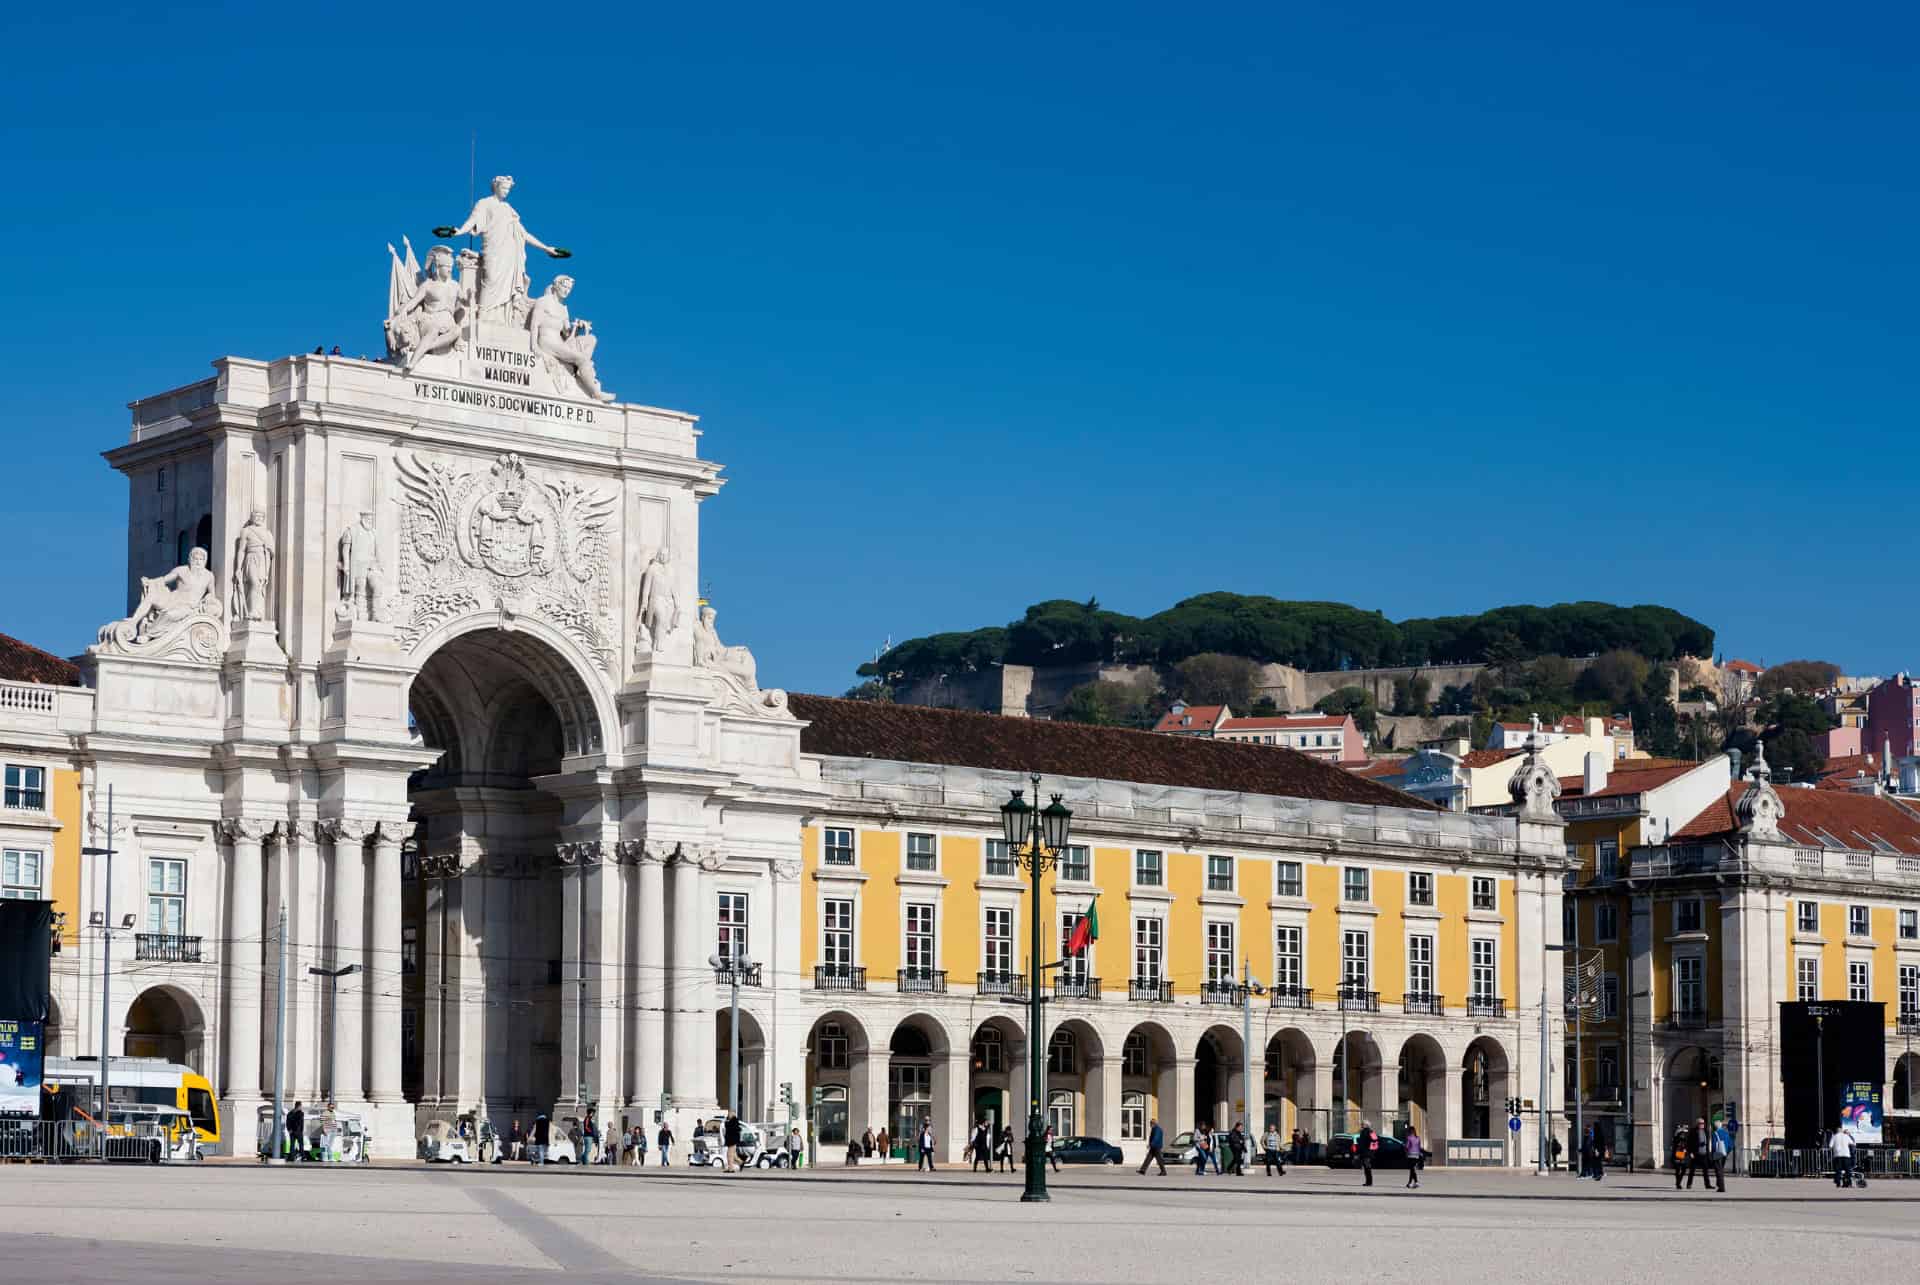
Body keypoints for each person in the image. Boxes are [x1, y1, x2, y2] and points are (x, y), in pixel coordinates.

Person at [1830, 1123, 1855, 1188]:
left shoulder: (1834, 1137)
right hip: (1846, 1155)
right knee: (1847, 1170)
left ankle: (1838, 1183)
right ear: (1841, 1131)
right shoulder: (1846, 1136)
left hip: (1837, 1155)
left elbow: (1830, 1146)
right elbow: (1852, 1143)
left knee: (1838, 1170)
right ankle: (1848, 1182)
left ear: (1836, 1131)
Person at [1356, 1121, 1378, 1187]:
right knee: (1366, 1167)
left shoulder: (1367, 1131)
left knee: (1367, 1167)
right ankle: (1368, 1182)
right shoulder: (1368, 1131)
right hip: (1367, 1152)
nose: (1361, 1125)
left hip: (1366, 1152)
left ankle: (1369, 1182)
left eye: (1362, 1124)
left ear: (1366, 1125)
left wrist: (1368, 1143)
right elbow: (1375, 1139)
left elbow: (1374, 1140)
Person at [1671, 1124, 1692, 1190]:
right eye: (1685, 1127)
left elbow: (1685, 1143)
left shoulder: (1681, 1133)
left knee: (1681, 1169)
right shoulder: (1680, 1134)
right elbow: (1681, 1142)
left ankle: (1678, 1182)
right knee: (1680, 1168)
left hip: (1680, 1152)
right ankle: (1678, 1183)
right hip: (1679, 1153)